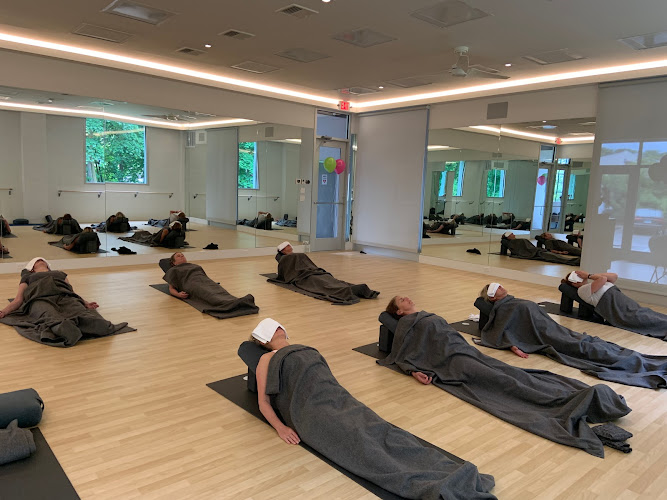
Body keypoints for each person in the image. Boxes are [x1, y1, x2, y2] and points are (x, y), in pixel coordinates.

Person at [250, 318, 496, 499]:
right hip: (311, 410)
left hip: (338, 398)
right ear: (262, 340)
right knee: (357, 438)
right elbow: (264, 402)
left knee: (383, 431)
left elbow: (327, 379)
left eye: (277, 325)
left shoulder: (305, 348)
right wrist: (281, 428)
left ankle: (447, 471)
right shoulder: (266, 359)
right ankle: (427, 484)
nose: (276, 328)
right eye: (270, 328)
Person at [380, 295, 632, 457]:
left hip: (466, 351)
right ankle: (557, 403)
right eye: (400, 300)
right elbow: (403, 352)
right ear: (398, 312)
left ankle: (573, 395)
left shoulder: (425, 315)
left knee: (511, 371)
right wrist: (414, 371)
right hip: (450, 362)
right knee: (500, 380)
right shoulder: (406, 324)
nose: (406, 298)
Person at [477, 282, 666, 388]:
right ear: (492, 296)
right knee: (584, 348)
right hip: (547, 336)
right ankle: (636, 363)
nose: (501, 287)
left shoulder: (512, 301)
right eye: (497, 287)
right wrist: (512, 346)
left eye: (500, 285)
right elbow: (501, 329)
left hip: (555, 329)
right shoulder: (503, 308)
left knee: (593, 342)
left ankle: (641, 360)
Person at [0, 258, 131, 346]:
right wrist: (4, 312)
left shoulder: (60, 274)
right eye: (36, 261)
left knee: (78, 310)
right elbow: (18, 300)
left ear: (48, 265)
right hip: (40, 298)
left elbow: (71, 291)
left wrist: (85, 302)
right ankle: (65, 329)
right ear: (32, 268)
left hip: (64, 296)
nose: (40, 260)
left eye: (42, 260)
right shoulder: (28, 277)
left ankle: (91, 325)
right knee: (49, 314)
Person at [563, 271, 667, 340]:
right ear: (574, 283)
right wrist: (589, 275)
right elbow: (602, 279)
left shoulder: (593, 284)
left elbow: (614, 276)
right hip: (620, 310)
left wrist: (590, 275)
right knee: (644, 318)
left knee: (649, 314)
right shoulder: (582, 290)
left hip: (626, 303)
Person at [270, 242, 379, 305]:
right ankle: (345, 291)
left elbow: (308, 263)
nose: (290, 247)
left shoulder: (297, 255)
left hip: (314, 271)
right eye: (287, 247)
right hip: (303, 277)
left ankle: (352, 288)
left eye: (289, 245)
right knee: (321, 284)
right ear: (283, 250)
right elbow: (287, 272)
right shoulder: (285, 259)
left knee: (329, 279)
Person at [163, 252, 258, 318]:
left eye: (182, 255)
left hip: (205, 281)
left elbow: (203, 275)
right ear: (174, 262)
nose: (181, 256)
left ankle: (233, 300)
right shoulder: (173, 270)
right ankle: (228, 303)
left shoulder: (194, 266)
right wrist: (178, 295)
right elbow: (171, 288)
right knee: (207, 293)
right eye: (178, 256)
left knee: (217, 289)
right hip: (191, 283)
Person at [501, 232, 580, 265]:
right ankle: (574, 261)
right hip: (535, 252)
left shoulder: (518, 241)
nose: (514, 235)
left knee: (554, 256)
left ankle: (574, 261)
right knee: (554, 257)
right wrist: (560, 252)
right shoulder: (516, 241)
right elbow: (524, 249)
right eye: (512, 234)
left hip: (537, 251)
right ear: (508, 237)